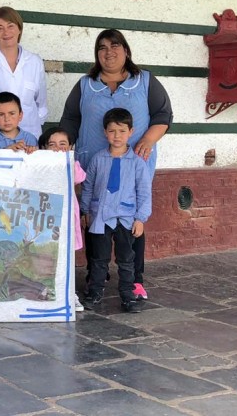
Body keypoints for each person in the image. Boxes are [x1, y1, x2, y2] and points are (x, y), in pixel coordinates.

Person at [60, 28, 172, 299]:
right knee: (94, 217)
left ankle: (135, 280)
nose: (108, 52)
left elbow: (163, 115)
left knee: (132, 222)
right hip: (94, 164)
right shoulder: (85, 85)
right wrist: (63, 143)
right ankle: (96, 274)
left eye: (114, 46)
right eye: (102, 47)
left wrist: (147, 140)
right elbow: (70, 119)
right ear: (96, 54)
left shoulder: (144, 81)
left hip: (133, 164)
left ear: (126, 51)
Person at [81, 108, 152, 313]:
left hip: (126, 218)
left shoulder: (137, 163)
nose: (117, 136)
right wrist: (86, 210)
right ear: (105, 132)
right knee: (99, 258)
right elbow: (88, 186)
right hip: (100, 217)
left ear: (131, 132)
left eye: (122, 131)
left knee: (126, 260)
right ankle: (95, 292)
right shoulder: (98, 159)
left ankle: (128, 295)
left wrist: (140, 218)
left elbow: (144, 192)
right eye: (112, 131)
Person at [0, 6, 48, 139]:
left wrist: (33, 125)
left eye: (10, 26)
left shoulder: (35, 62)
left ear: (19, 29)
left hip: (30, 137)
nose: (6, 32)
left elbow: (41, 103)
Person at [39, 126, 86, 312]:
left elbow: (79, 177)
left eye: (62, 144)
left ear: (70, 147)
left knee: (66, 257)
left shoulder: (73, 165)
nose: (58, 149)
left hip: (67, 218)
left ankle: (70, 293)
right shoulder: (40, 166)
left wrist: (68, 160)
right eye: (52, 145)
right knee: (46, 254)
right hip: (48, 218)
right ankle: (46, 290)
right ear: (44, 148)